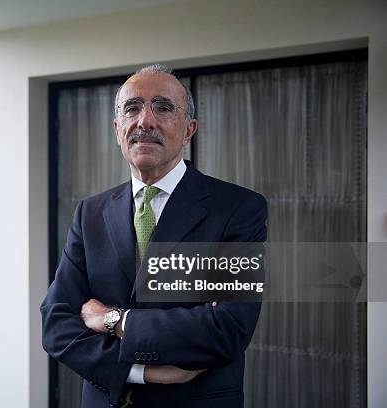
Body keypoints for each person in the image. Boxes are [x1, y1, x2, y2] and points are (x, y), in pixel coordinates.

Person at [41, 64, 267, 407]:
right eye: (132, 108)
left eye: (163, 107)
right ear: (118, 129)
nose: (144, 120)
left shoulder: (239, 209)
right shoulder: (90, 214)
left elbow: (228, 329)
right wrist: (142, 371)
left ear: (189, 129)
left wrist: (113, 320)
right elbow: (57, 324)